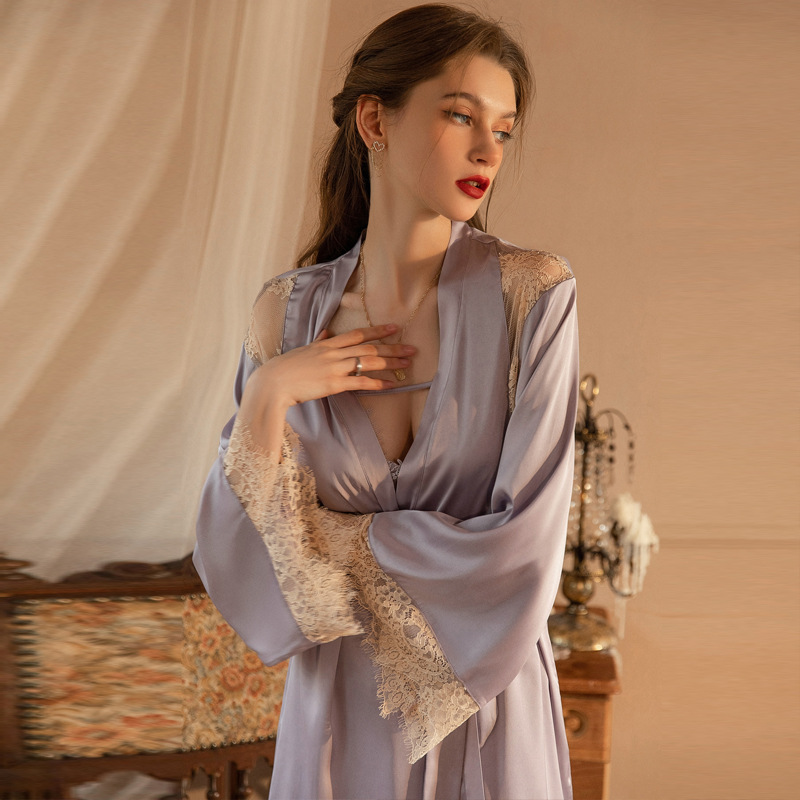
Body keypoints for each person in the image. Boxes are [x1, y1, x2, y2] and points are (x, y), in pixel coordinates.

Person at [194, 4, 579, 798]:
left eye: (503, 130)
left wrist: (335, 544)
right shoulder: (285, 315)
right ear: (375, 120)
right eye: (461, 116)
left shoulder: (534, 297)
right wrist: (268, 393)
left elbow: (525, 551)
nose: (487, 150)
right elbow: (240, 554)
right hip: (336, 713)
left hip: (484, 702)